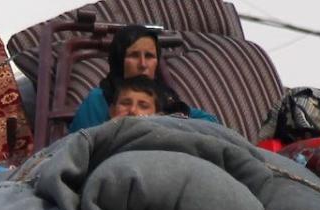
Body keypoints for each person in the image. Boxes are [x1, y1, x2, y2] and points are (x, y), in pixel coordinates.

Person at [68, 25, 219, 133]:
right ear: (119, 59)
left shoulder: (166, 98)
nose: (143, 64)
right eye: (134, 55)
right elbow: (79, 147)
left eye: (149, 56)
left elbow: (211, 123)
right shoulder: (100, 99)